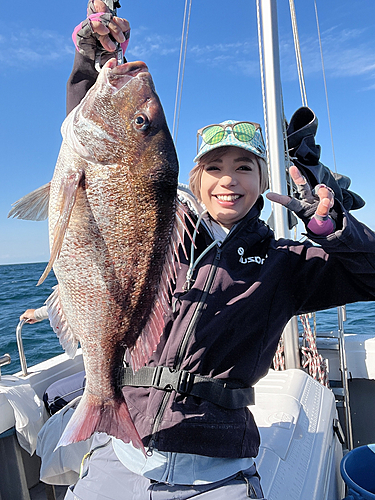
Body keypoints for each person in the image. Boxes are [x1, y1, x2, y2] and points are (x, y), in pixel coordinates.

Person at [24, 2, 375, 499]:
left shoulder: (286, 264)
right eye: (213, 167)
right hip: (121, 457)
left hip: (217, 469)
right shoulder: (168, 235)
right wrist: (91, 63)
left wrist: (333, 228)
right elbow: (96, 146)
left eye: (244, 167)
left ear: (263, 181)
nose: (228, 180)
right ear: (193, 179)